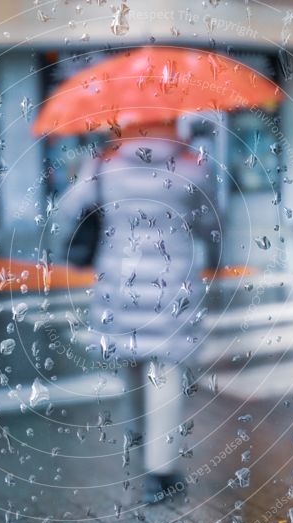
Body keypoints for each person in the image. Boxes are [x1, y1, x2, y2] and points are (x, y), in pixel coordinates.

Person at [53, 119, 221, 503]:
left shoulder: (106, 163)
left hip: (119, 281)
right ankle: (161, 474)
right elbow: (211, 221)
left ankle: (141, 444)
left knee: (130, 363)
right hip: (172, 281)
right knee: (166, 370)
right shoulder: (193, 164)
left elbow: (69, 209)